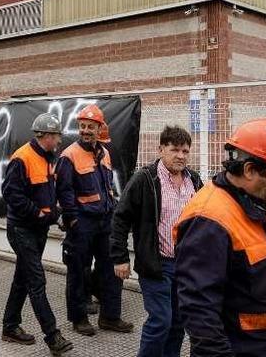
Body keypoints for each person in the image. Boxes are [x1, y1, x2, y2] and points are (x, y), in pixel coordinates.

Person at [174, 118, 266, 357]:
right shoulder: (209, 220)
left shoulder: (256, 202)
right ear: (250, 170)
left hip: (261, 346)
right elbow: (199, 308)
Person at [111, 125, 203, 357]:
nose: (181, 156)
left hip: (186, 266)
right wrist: (120, 258)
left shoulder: (194, 180)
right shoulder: (145, 179)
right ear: (161, 149)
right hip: (157, 264)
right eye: (175, 150)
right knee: (161, 320)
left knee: (178, 322)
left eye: (185, 151)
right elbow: (120, 218)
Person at [56, 104, 133, 336]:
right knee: (78, 271)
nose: (86, 131)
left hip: (105, 220)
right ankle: (79, 319)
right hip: (82, 223)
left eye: (91, 127)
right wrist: (73, 220)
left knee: (111, 269)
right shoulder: (69, 155)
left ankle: (110, 317)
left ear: (100, 129)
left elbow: (107, 187)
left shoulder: (104, 153)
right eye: (82, 126)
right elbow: (64, 192)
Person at [1, 113, 73, 356]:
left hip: (38, 229)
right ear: (46, 136)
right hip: (22, 230)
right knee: (36, 281)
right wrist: (38, 214)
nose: (60, 140)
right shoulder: (22, 158)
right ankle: (53, 336)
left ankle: (10, 326)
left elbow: (45, 194)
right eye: (57, 136)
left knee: (22, 279)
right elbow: (11, 194)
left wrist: (56, 215)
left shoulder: (49, 157)